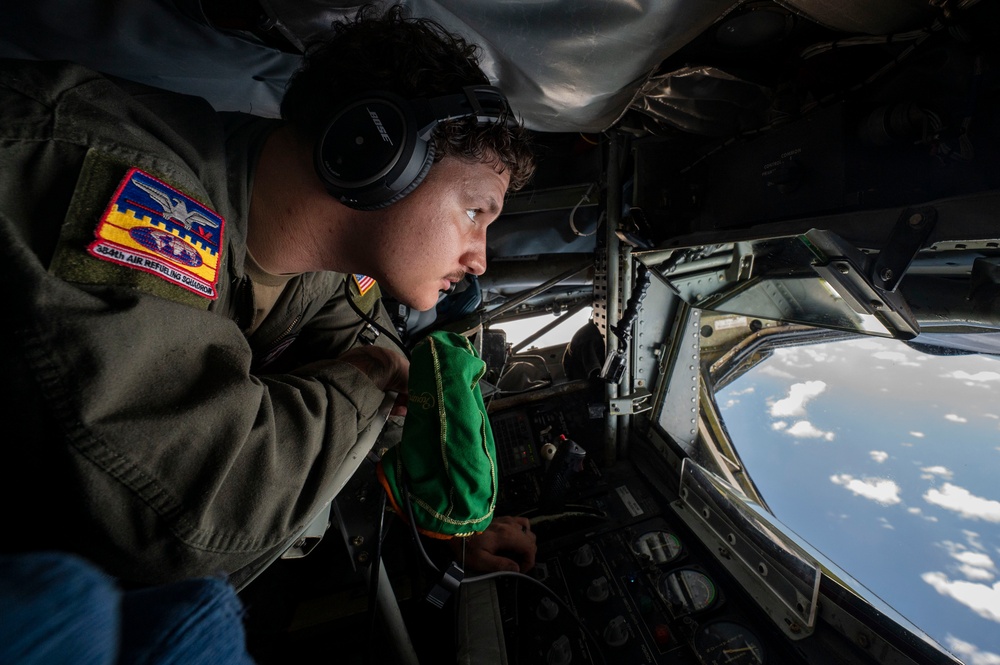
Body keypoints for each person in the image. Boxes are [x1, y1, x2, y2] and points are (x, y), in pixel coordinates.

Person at [0, 4, 535, 589]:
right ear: (378, 152)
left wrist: (453, 518)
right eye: (475, 211)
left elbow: (383, 367)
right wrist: (371, 374)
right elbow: (192, 514)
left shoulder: (322, 273)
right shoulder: (127, 183)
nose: (480, 258)